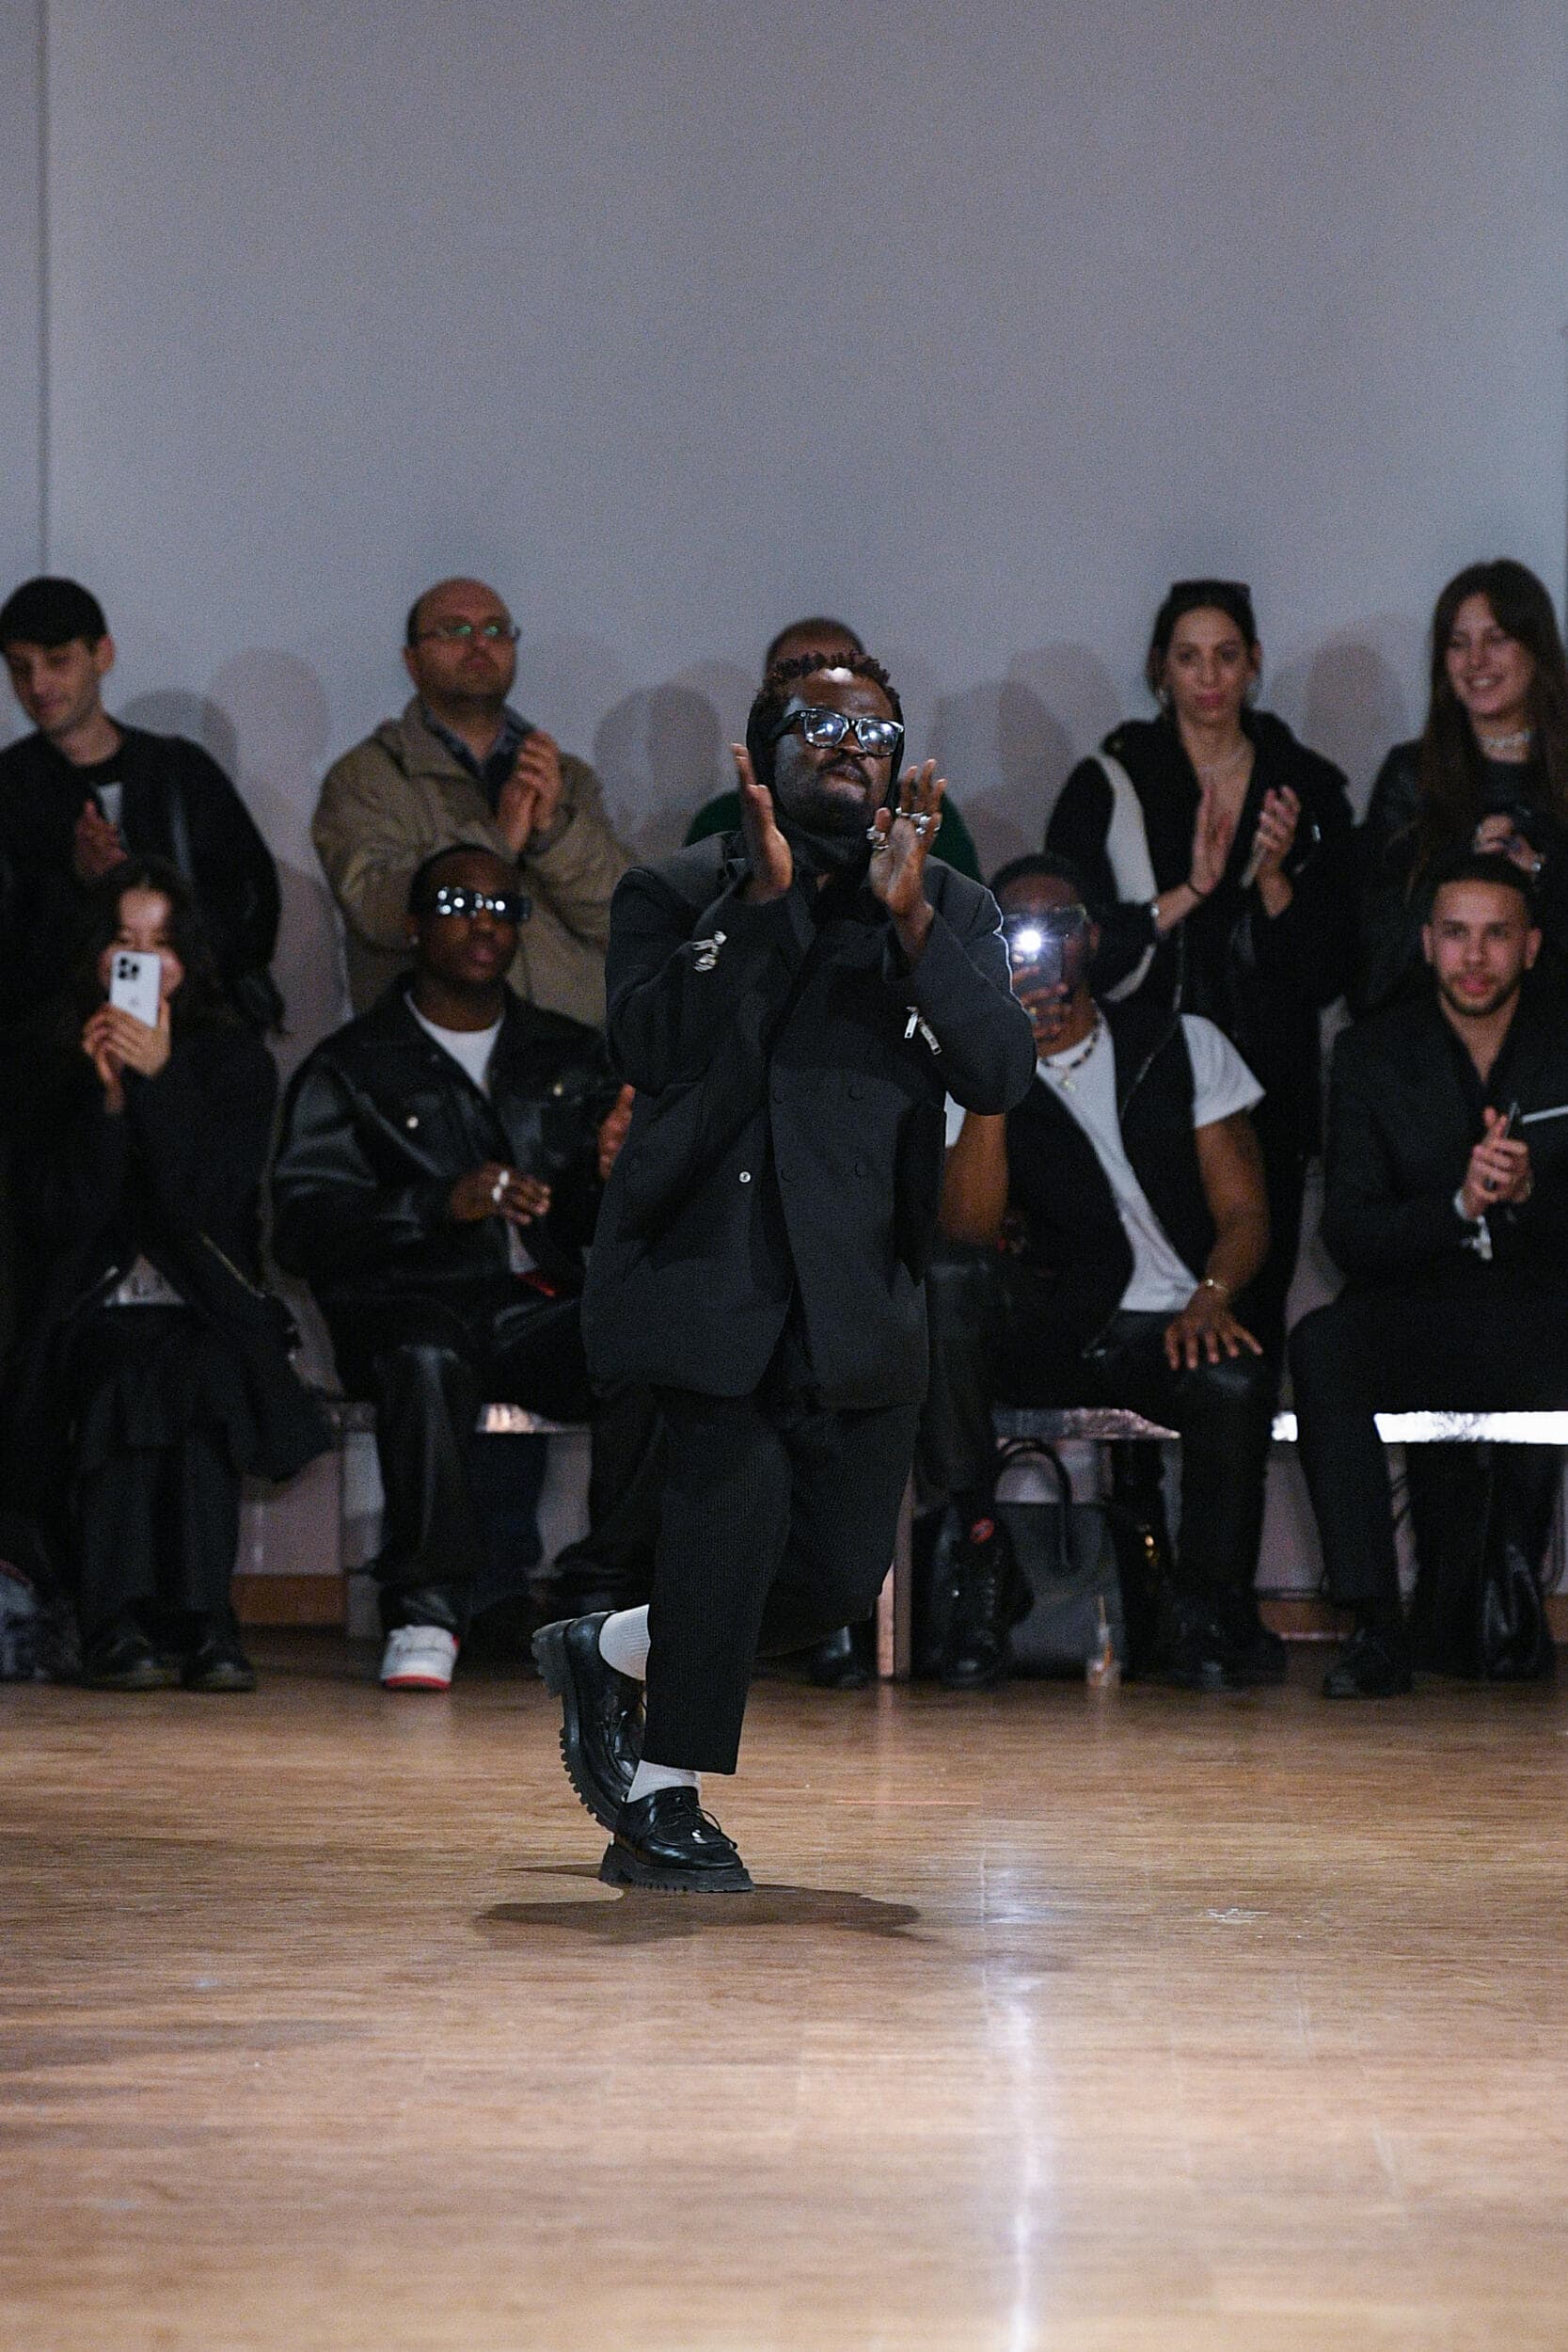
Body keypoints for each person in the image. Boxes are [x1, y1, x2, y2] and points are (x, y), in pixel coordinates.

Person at [531, 648, 1035, 1893]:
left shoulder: (947, 905)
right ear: (762, 751)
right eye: (816, 723)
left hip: (857, 1290)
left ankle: (615, 1648)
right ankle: (662, 1797)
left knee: (832, 1581)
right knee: (731, 1509)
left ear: (901, 766)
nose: (845, 745)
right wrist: (754, 909)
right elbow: (648, 1043)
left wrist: (910, 920)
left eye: (872, 732)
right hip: (704, 1267)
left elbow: (996, 1071)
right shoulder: (674, 890)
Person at [271, 844, 658, 1692]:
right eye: (457, 904)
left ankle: (604, 1593)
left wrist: (607, 1176)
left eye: (503, 908)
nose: (483, 923)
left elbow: (596, 1222)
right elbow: (301, 1227)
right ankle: (428, 1608)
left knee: (642, 1343)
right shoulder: (353, 1065)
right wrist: (436, 1203)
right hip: (408, 1306)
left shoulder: (567, 1053)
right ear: (413, 926)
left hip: (533, 1307)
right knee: (424, 1357)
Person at [920, 854, 1281, 1691]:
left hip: (1171, 1321)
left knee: (1232, 1380)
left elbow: (1245, 1212)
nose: (1037, 945)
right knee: (943, 1282)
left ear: (1089, 937)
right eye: (1013, 928)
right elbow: (965, 1230)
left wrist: (1212, 1297)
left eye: (1056, 924)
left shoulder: (1180, 1042)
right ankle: (980, 1557)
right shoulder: (968, 1064)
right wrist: (999, 1061)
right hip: (1056, 1318)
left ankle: (1206, 1609)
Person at [3, 859, 326, 1690]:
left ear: (188, 959)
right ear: (96, 955)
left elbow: (205, 1204)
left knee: (199, 1374)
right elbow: (56, 1217)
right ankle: (118, 1624)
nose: (143, 963)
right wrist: (109, 1103)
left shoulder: (233, 1061)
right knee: (119, 1375)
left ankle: (206, 1621)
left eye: (161, 944)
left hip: (202, 1306)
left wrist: (161, 1081)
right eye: (125, 942)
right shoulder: (45, 1058)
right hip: (85, 1309)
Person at [1046, 580, 1354, 1360]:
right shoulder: (1110, 780)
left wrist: (1275, 879)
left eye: (1225, 656)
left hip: (1267, 1080)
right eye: (1188, 658)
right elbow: (1067, 939)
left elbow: (1330, 969)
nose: (1208, 678)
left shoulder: (1306, 786)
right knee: (1131, 1303)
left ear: (1253, 663)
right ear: (1160, 669)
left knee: (1251, 1314)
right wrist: (1188, 892)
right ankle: (1131, 1451)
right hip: (1141, 1072)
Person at [1290, 856, 1568, 1697]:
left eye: (1495, 934)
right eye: (1455, 934)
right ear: (1425, 944)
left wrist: (1528, 1197)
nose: (1473, 956)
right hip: (1420, 1308)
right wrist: (1456, 1205)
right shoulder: (1371, 1054)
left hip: (1544, 1311)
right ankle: (1373, 1625)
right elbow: (1349, 1232)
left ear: (1530, 946)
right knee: (1323, 1346)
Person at [313, 577, 627, 1028]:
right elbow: (376, 913)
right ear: (412, 661)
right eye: (456, 630)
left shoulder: (562, 774)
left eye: (496, 630)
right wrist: (495, 840)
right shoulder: (368, 776)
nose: (480, 643)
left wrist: (554, 834)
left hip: (570, 1046)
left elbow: (624, 919)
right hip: (428, 1050)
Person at [0, 577, 283, 1031]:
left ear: (102, 655)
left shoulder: (181, 770)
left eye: (58, 661)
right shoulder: (12, 786)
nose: (38, 685)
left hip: (196, 1034)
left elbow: (252, 903)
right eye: (19, 668)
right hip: (60, 1046)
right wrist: (77, 880)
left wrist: (183, 970)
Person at [1355, 559, 1568, 1014]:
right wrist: (1462, 864)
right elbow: (1375, 952)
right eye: (1458, 644)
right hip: (1430, 1032)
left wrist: (1539, 871)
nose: (1476, 661)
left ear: (1536, 649)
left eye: (1497, 639)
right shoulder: (1411, 776)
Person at [684, 616, 984, 882]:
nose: (849, 744)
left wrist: (913, 912)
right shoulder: (722, 821)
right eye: (798, 673)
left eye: (842, 671)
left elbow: (971, 923)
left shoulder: (918, 816)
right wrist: (759, 892)